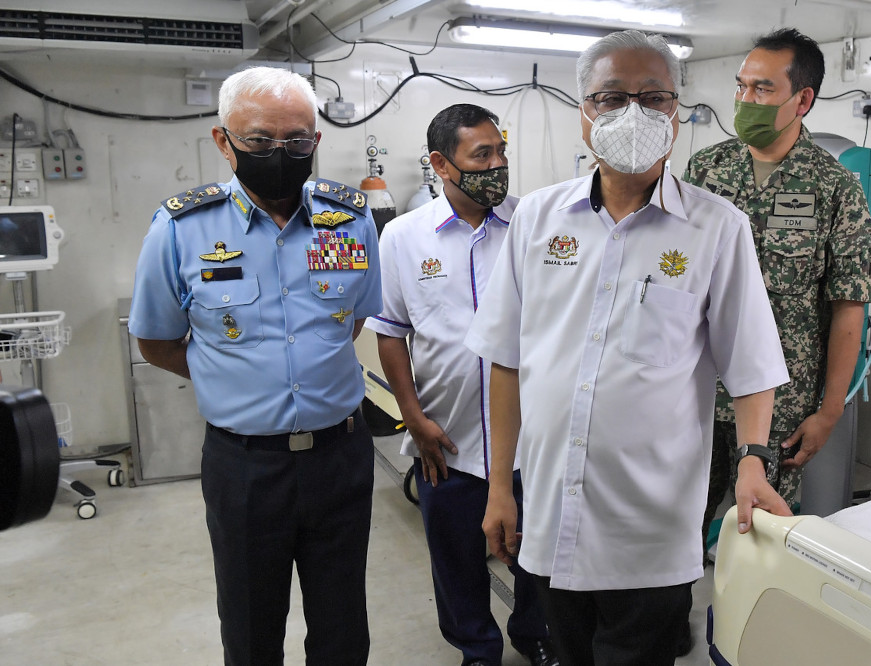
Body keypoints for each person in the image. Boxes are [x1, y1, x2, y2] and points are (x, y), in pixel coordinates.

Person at [465, 30, 792, 665]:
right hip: (552, 512)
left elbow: (751, 365)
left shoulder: (716, 228)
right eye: (612, 97)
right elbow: (506, 361)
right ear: (583, 112)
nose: (632, 114)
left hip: (651, 526)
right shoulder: (537, 219)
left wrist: (752, 460)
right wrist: (501, 486)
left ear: (676, 113)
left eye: (653, 97)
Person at [128, 67, 381, 665]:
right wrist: (235, 377)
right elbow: (157, 341)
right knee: (250, 630)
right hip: (244, 466)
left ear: (316, 141)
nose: (280, 154)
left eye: (297, 140)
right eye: (260, 141)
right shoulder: (182, 228)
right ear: (225, 141)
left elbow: (353, 320)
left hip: (341, 457)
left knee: (343, 626)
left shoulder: (349, 219)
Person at [365, 104, 557, 666]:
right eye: (482, 155)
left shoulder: (534, 226)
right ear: (441, 164)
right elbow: (390, 333)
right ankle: (476, 647)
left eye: (501, 153)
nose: (497, 166)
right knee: (455, 556)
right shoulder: (403, 237)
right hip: (446, 435)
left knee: (535, 554)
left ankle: (535, 634)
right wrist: (413, 418)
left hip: (531, 436)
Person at [682, 28, 871, 547]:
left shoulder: (836, 188)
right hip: (695, 390)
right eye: (741, 86)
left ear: (803, 100)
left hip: (783, 406)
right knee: (675, 525)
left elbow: (849, 307)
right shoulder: (705, 169)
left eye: (763, 89)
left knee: (761, 536)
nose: (746, 100)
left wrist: (829, 411)